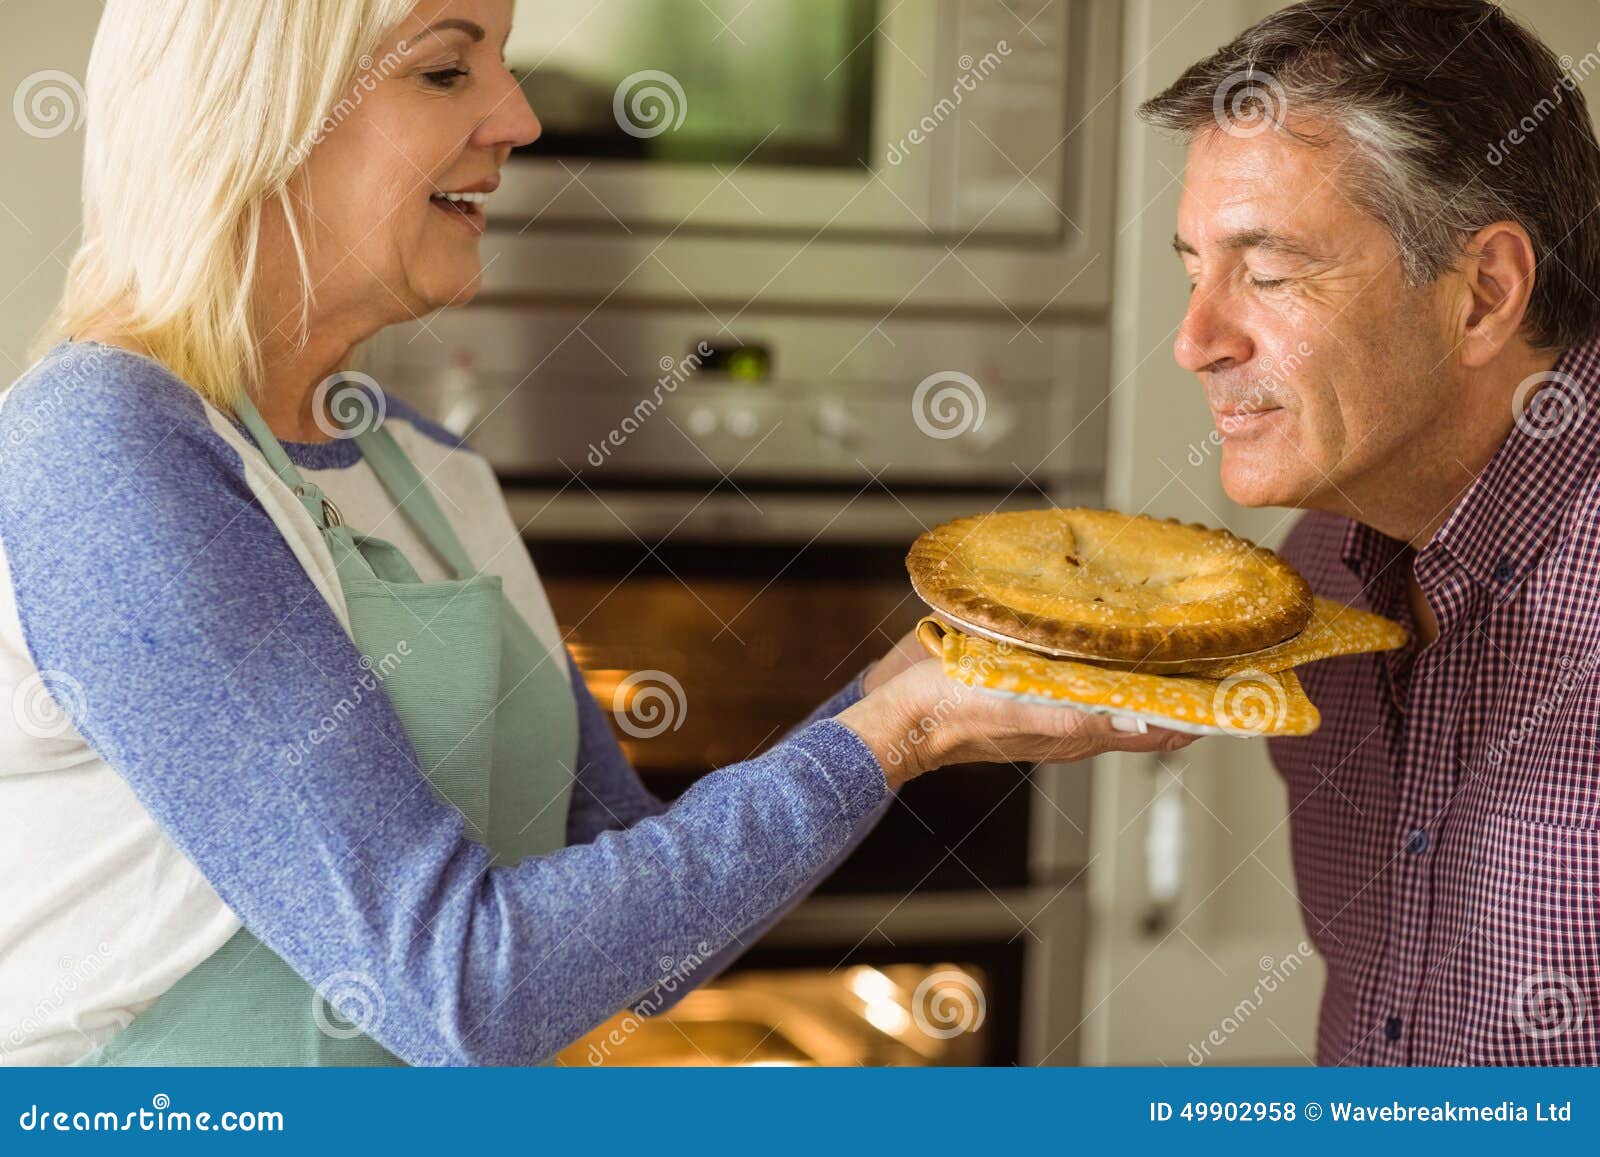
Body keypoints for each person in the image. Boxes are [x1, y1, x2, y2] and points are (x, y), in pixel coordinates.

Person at [0, 0, 1187, 1067]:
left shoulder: (422, 469)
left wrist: (896, 689)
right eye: (445, 70)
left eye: (503, 65)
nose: (516, 117)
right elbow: (458, 987)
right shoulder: (102, 443)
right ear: (260, 108)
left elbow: (627, 912)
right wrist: (893, 736)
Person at [1141, 0, 1600, 1064]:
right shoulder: (1310, 582)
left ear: (1482, 292)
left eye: (1265, 272)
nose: (1193, 339)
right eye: (1191, 270)